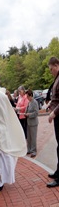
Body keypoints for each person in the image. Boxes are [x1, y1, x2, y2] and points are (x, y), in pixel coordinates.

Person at [47, 57, 59, 188]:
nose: (51, 72)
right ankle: (58, 172)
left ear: (56, 65)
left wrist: (53, 112)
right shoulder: (57, 78)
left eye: (51, 69)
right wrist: (50, 104)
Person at [24, 89, 39, 158]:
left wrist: (29, 115)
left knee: (33, 137)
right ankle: (29, 149)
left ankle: (34, 151)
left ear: (31, 96)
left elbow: (36, 113)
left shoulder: (34, 102)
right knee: (29, 137)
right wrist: (25, 113)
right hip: (28, 122)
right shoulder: (29, 102)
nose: (27, 98)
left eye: (27, 96)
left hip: (33, 123)